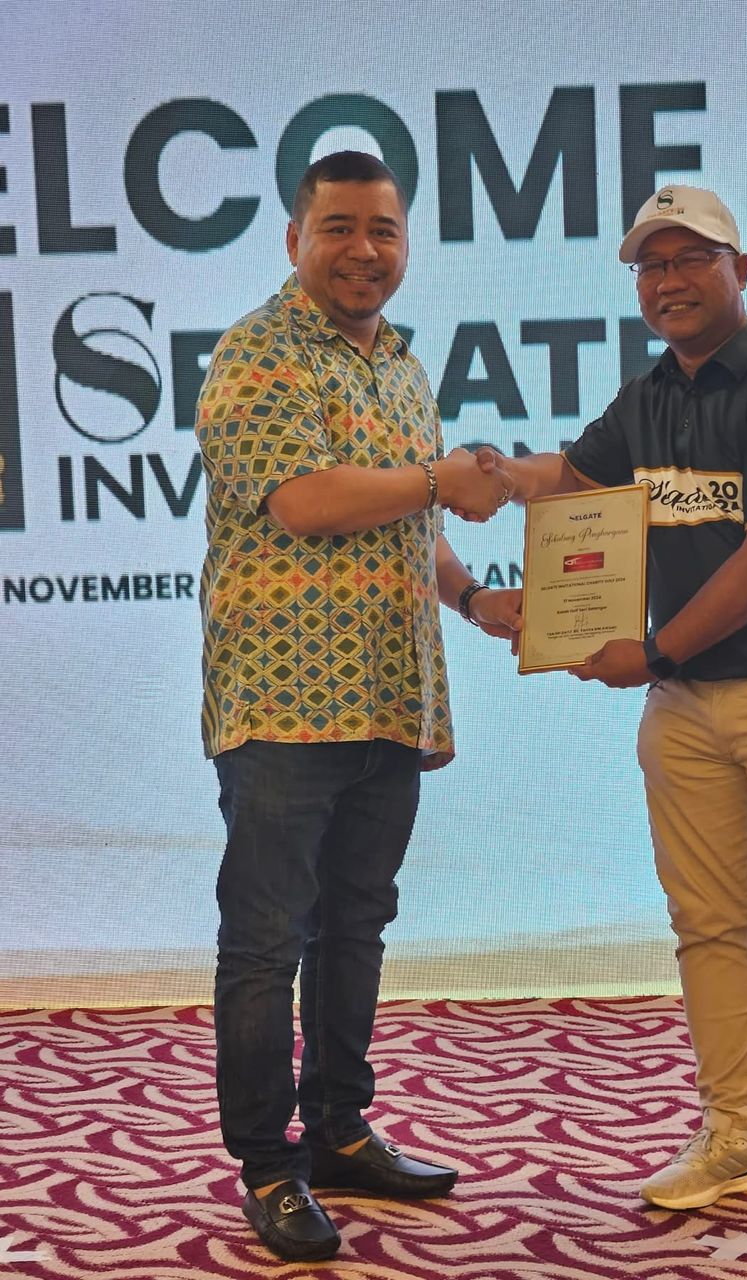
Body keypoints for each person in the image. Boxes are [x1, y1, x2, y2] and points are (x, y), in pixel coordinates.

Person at [477, 185, 747, 1223]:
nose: (669, 280)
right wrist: (489, 475)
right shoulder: (647, 398)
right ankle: (736, 1136)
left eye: (690, 259)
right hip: (687, 706)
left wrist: (654, 651)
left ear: (741, 270)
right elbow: (573, 483)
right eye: (651, 265)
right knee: (710, 927)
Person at [195, 150, 521, 1263]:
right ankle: (268, 1166)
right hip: (286, 704)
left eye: (382, 229)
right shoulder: (259, 352)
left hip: (389, 694)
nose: (363, 250)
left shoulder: (403, 368)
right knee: (266, 940)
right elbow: (305, 500)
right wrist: (440, 478)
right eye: (338, 227)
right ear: (296, 238)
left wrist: (472, 596)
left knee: (357, 926)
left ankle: (338, 1130)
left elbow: (408, 521)